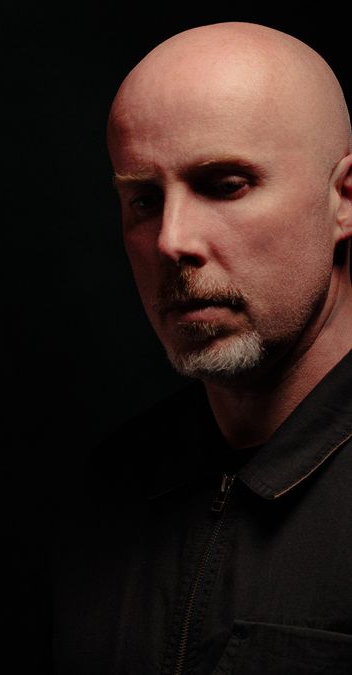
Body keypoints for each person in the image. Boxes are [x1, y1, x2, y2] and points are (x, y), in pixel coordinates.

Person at [53, 21, 352, 674]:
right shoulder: (108, 492)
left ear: (343, 200)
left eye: (225, 185)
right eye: (144, 200)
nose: (172, 241)